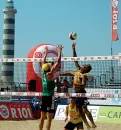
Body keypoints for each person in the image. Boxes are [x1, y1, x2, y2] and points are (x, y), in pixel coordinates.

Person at [61, 43, 97, 129]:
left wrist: (84, 81)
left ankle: (93, 123)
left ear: (86, 70)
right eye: (85, 65)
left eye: (86, 66)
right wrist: (73, 48)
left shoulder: (84, 75)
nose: (84, 65)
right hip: (75, 92)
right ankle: (87, 125)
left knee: (85, 109)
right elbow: (75, 59)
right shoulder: (78, 69)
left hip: (81, 92)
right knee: (80, 111)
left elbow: (84, 85)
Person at [39, 45, 63, 130]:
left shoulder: (43, 74)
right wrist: (59, 51)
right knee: (49, 118)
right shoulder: (50, 75)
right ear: (49, 68)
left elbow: (43, 62)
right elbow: (58, 62)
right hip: (50, 97)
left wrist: (46, 53)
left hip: (44, 97)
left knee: (42, 118)